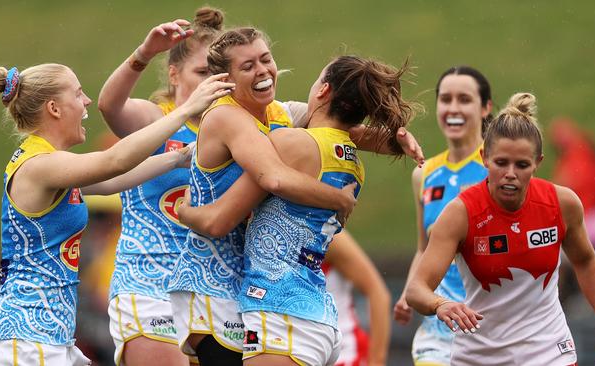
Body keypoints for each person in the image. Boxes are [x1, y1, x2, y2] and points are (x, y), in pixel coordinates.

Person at [0, 62, 233, 365]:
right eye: (78, 93)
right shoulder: (41, 165)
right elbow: (115, 161)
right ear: (54, 108)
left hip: (44, 340)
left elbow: (111, 182)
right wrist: (185, 110)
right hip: (25, 342)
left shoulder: (52, 164)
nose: (86, 102)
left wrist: (180, 157)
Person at [177, 54, 418, 365]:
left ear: (323, 91)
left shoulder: (289, 143)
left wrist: (185, 211)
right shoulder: (353, 162)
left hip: (280, 312)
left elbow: (218, 221)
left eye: (317, 79)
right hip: (316, 316)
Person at [405, 93, 595, 366]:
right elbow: (416, 289)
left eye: (522, 165)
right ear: (484, 157)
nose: (511, 174)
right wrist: (441, 304)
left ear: (538, 163)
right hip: (479, 355)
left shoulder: (562, 204)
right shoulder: (460, 214)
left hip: (549, 351)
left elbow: (586, 260)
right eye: (501, 163)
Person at [97, 8, 226, 366]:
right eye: (201, 72)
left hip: (212, 289)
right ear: (173, 74)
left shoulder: (235, 127)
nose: (210, 82)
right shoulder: (155, 120)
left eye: (218, 73)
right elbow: (110, 105)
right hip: (149, 282)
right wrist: (143, 54)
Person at [393, 66, 493, 365]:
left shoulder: (500, 168)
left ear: (485, 107)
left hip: (490, 326)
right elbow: (425, 247)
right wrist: (411, 292)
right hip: (440, 326)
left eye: (464, 99)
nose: (453, 108)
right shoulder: (424, 173)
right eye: (445, 99)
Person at [324, 231, 391, 366]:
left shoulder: (330, 235)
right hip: (299, 352)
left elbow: (378, 293)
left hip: (344, 355)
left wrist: (376, 361)